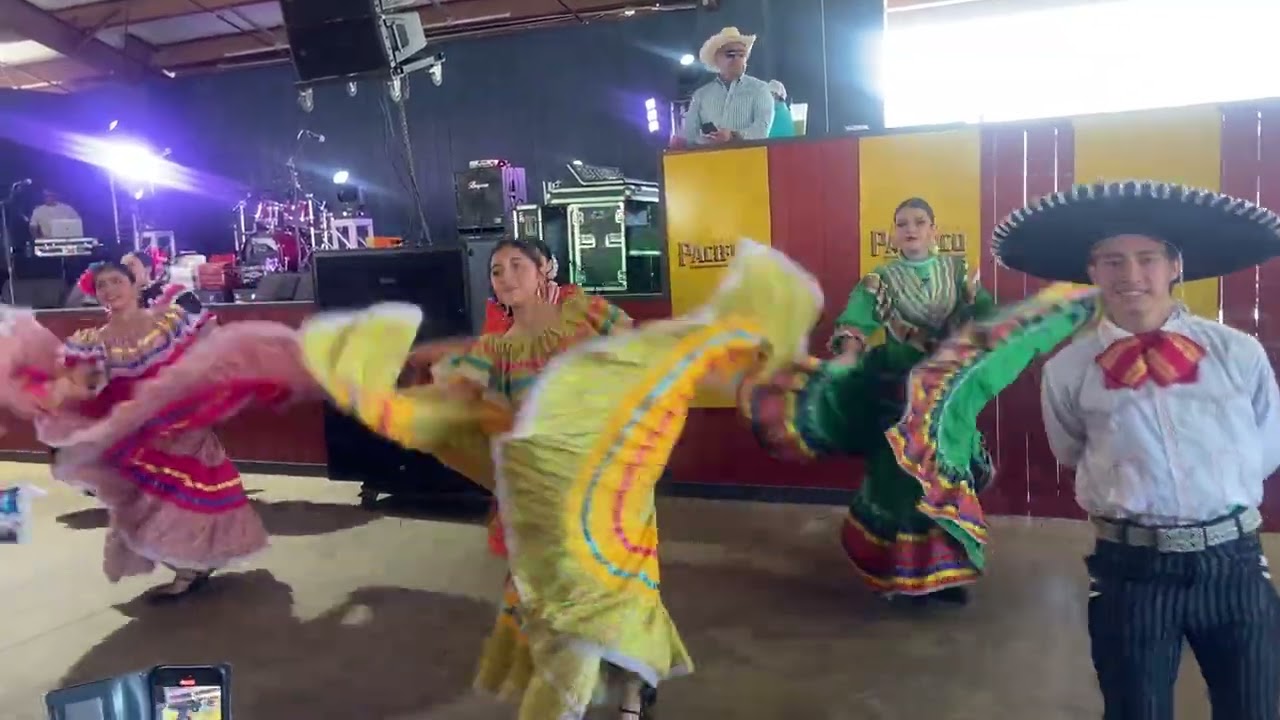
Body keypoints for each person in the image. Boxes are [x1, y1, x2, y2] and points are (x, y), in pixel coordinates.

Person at [299, 238, 822, 720]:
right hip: (542, 493)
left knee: (612, 589)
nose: (504, 277)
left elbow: (633, 359)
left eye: (516, 265)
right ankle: (599, 686)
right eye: (496, 270)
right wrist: (415, 395)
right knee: (553, 597)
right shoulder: (496, 350)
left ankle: (609, 693)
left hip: (607, 481)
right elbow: (472, 407)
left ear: (546, 268)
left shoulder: (586, 314)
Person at [892, 180, 1280, 718]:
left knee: (1256, 708)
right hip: (1130, 573)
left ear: (1175, 267)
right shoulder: (1068, 369)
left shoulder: (1238, 353)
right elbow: (1072, 449)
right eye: (1112, 261)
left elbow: (1265, 447)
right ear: (1092, 272)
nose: (1131, 275)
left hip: (1235, 566)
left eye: (1147, 259)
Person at [0, 259, 315, 601]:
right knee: (142, 506)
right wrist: (51, 393)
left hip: (179, 427)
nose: (109, 290)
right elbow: (84, 387)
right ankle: (191, 563)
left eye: (116, 281)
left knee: (179, 501)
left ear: (135, 284)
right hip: (136, 432)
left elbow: (208, 351)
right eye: (102, 285)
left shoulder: (169, 322)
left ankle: (188, 568)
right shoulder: (92, 341)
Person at [739, 197, 998, 605]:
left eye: (919, 222)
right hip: (896, 392)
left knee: (946, 476)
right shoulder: (881, 280)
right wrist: (847, 354)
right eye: (902, 223)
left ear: (934, 230)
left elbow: (986, 315)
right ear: (894, 234)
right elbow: (857, 321)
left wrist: (983, 339)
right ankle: (902, 573)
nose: (910, 229)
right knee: (900, 481)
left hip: (945, 395)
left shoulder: (959, 272)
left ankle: (950, 575)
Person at [683, 27, 775, 146]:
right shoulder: (701, 95)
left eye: (742, 54)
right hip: (709, 162)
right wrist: (705, 140)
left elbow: (762, 131)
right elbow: (690, 135)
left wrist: (733, 136)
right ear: (717, 58)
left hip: (749, 162)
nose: (737, 59)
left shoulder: (760, 89)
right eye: (730, 54)